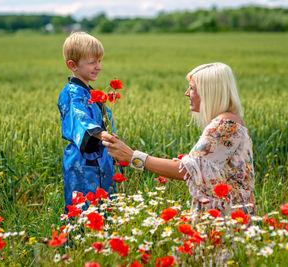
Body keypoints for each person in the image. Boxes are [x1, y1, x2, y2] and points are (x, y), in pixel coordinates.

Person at [102, 62, 255, 215]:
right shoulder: (230, 121)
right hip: (233, 213)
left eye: (192, 88)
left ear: (209, 92)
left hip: (228, 218)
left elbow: (186, 170)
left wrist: (132, 156)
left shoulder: (225, 125)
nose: (187, 93)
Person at [58, 32, 116, 211]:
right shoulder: (71, 93)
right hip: (82, 163)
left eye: (99, 61)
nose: (98, 67)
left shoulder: (89, 92)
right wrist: (102, 133)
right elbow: (79, 118)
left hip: (100, 159)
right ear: (72, 65)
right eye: (92, 62)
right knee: (85, 211)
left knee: (104, 209)